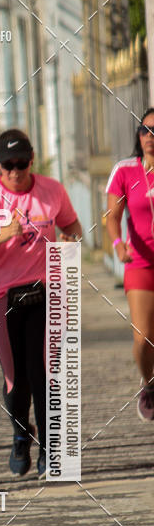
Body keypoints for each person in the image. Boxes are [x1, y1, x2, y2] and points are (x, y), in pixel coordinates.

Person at [0, 129, 82, 477]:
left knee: (46, 373)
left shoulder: (52, 190)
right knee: (16, 380)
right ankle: (19, 434)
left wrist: (71, 248)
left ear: (31, 159)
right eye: (8, 165)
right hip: (3, 295)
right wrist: (0, 237)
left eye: (22, 163)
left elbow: (71, 228)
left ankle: (49, 448)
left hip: (47, 291)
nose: (16, 171)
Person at [106, 108, 154, 421]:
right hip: (140, 262)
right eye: (145, 130)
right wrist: (118, 244)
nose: (151, 136)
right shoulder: (124, 170)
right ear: (138, 136)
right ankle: (148, 383)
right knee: (143, 338)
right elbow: (112, 216)